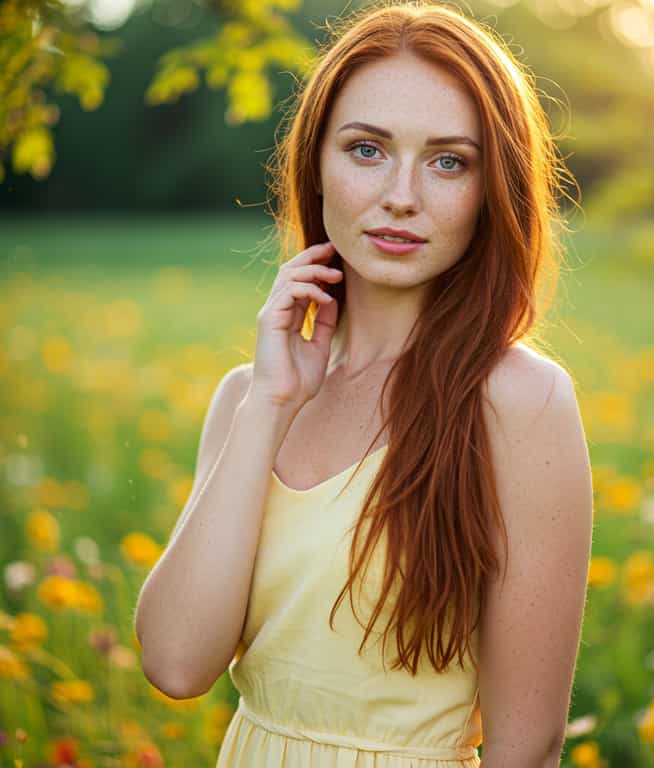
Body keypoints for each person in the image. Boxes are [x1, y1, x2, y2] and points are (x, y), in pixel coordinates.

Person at [134, 1, 593, 766]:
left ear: (492, 188)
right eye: (367, 149)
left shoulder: (521, 402)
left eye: (448, 161)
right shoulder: (250, 397)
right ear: (316, 165)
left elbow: (528, 746)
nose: (402, 195)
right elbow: (176, 664)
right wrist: (271, 403)